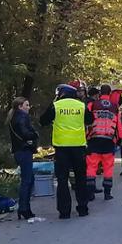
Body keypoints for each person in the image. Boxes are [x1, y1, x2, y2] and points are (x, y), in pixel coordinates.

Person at [40, 83, 92, 219]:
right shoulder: (81, 106)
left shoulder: (56, 106)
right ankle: (83, 208)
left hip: (62, 148)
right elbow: (90, 120)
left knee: (62, 180)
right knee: (81, 178)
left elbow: (43, 121)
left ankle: (64, 211)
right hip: (78, 147)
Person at [6, 97, 38, 220]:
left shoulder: (12, 117)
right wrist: (34, 135)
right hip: (24, 150)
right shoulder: (22, 117)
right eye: (27, 105)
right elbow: (25, 133)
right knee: (27, 180)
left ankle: (25, 208)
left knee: (29, 179)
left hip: (18, 151)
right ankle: (24, 208)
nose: (29, 107)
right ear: (20, 106)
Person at [85, 97, 122, 200]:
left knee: (91, 167)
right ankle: (107, 193)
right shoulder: (114, 107)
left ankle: (90, 193)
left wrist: (86, 137)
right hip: (109, 141)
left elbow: (87, 121)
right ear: (110, 93)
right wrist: (119, 138)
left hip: (94, 140)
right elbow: (118, 124)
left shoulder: (92, 105)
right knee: (108, 167)